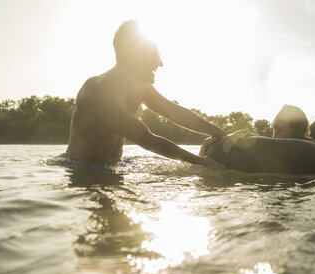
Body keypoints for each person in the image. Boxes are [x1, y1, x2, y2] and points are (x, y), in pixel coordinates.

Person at [65, 20, 227, 167]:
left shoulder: (140, 87)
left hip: (114, 166)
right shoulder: (98, 91)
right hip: (81, 170)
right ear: (134, 55)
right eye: (154, 55)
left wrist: (221, 134)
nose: (160, 63)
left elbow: (175, 111)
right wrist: (202, 163)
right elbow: (146, 138)